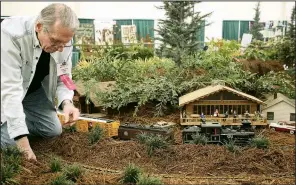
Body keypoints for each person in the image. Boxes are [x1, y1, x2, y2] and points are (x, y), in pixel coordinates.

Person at [1, 3, 80, 161]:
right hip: (5, 91)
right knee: (12, 145)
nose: (60, 49)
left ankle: (14, 123)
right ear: (39, 26)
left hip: (32, 91)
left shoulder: (62, 41)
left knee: (53, 130)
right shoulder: (11, 35)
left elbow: (64, 76)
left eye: (64, 44)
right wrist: (22, 142)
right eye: (55, 41)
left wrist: (67, 102)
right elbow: (10, 90)